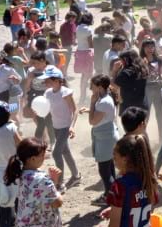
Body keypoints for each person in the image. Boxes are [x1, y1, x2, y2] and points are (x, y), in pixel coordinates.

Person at [79, 75, 119, 204]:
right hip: (107, 136)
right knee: (110, 167)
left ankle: (110, 197)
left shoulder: (103, 101)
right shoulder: (104, 99)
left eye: (93, 86)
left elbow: (92, 121)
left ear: (100, 87)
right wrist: (90, 109)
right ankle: (113, 194)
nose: (90, 88)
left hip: (105, 138)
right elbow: (101, 115)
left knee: (105, 171)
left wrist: (91, 103)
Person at [40, 66, 79, 189]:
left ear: (57, 80)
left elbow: (75, 110)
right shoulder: (47, 93)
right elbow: (45, 111)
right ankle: (76, 176)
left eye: (48, 80)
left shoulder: (65, 92)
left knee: (56, 153)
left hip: (65, 127)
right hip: (56, 127)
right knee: (65, 151)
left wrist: (72, 127)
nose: (45, 82)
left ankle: (59, 183)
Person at [112, 49, 149, 114]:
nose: (120, 62)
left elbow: (113, 86)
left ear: (126, 60)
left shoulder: (125, 73)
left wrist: (114, 71)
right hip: (142, 105)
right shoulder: (143, 69)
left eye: (121, 60)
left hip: (129, 108)